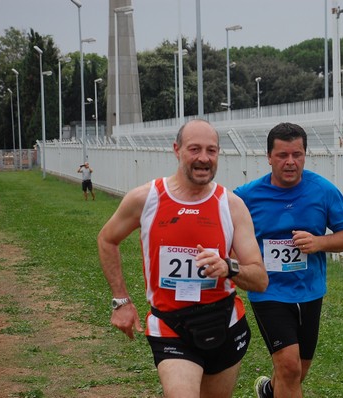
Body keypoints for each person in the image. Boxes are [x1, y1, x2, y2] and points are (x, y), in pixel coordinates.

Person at [97, 119, 268, 398]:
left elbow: (260, 279)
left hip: (224, 322)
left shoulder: (231, 206)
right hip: (170, 325)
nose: (203, 158)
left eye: (211, 151)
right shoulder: (146, 198)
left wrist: (227, 267)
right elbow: (107, 239)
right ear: (177, 150)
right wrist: (121, 301)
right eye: (194, 149)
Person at [233, 122, 343, 398]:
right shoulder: (246, 196)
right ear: (268, 157)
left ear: (304, 155)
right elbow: (224, 231)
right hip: (268, 291)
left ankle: (269, 391)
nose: (290, 162)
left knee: (297, 371)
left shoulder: (322, 190)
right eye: (282, 155)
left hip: (309, 290)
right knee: (288, 367)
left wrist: (319, 242)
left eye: (297, 154)